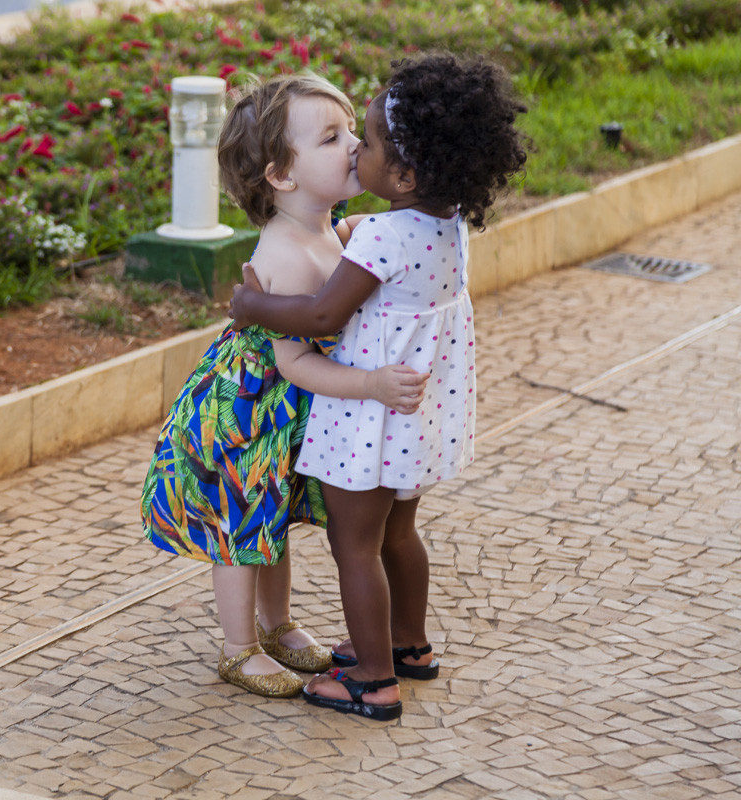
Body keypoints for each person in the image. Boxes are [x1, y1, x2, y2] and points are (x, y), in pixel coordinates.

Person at [229, 53, 529, 719]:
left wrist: (252, 309)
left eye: (367, 142)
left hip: (367, 421)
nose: (357, 151)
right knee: (399, 536)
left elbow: (320, 315)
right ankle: (407, 646)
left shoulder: (383, 240)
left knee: (353, 545)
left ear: (405, 173)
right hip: (419, 419)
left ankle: (370, 678)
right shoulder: (445, 222)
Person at [140, 72, 429, 699]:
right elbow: (295, 362)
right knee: (243, 529)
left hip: (290, 413)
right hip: (248, 413)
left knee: (274, 524)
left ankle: (278, 625)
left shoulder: (332, 227)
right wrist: (372, 383)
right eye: (332, 137)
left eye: (353, 130)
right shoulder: (286, 252)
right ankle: (239, 648)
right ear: (280, 175)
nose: (355, 144)